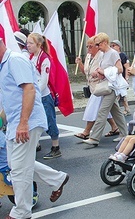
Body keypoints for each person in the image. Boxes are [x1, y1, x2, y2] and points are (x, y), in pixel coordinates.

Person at [0, 38, 69, 218]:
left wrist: (23, 123)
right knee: (17, 164)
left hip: (27, 121)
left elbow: (29, 89)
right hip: (15, 122)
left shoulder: (15, 60)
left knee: (18, 169)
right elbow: (9, 97)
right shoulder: (4, 64)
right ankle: (57, 179)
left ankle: (21, 211)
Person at [82, 32, 128, 146]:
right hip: (105, 85)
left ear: (104, 42)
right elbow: (104, 69)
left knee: (102, 112)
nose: (97, 47)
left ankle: (94, 138)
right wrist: (98, 72)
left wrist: (104, 72)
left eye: (98, 44)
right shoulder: (103, 54)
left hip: (111, 86)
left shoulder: (113, 53)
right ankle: (124, 134)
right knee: (116, 112)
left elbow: (120, 69)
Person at [74, 37, 120, 140]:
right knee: (111, 110)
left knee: (93, 109)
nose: (88, 48)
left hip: (100, 87)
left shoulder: (102, 55)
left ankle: (87, 133)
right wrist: (80, 63)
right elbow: (85, 72)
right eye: (87, 46)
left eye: (91, 46)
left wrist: (100, 72)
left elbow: (112, 68)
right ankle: (115, 127)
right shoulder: (88, 56)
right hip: (93, 87)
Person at [27, 33, 61, 159]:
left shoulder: (44, 58)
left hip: (43, 95)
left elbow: (43, 80)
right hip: (35, 94)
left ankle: (55, 147)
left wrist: (34, 93)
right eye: (27, 43)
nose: (28, 45)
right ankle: (36, 144)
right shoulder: (31, 57)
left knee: (49, 120)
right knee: (34, 120)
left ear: (39, 44)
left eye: (30, 43)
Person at [111, 39, 131, 116]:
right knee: (118, 94)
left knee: (122, 94)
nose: (112, 47)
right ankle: (124, 109)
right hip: (115, 78)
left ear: (118, 47)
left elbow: (127, 67)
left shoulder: (122, 55)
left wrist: (126, 78)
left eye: (113, 45)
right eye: (111, 46)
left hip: (121, 78)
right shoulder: (112, 55)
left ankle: (125, 109)